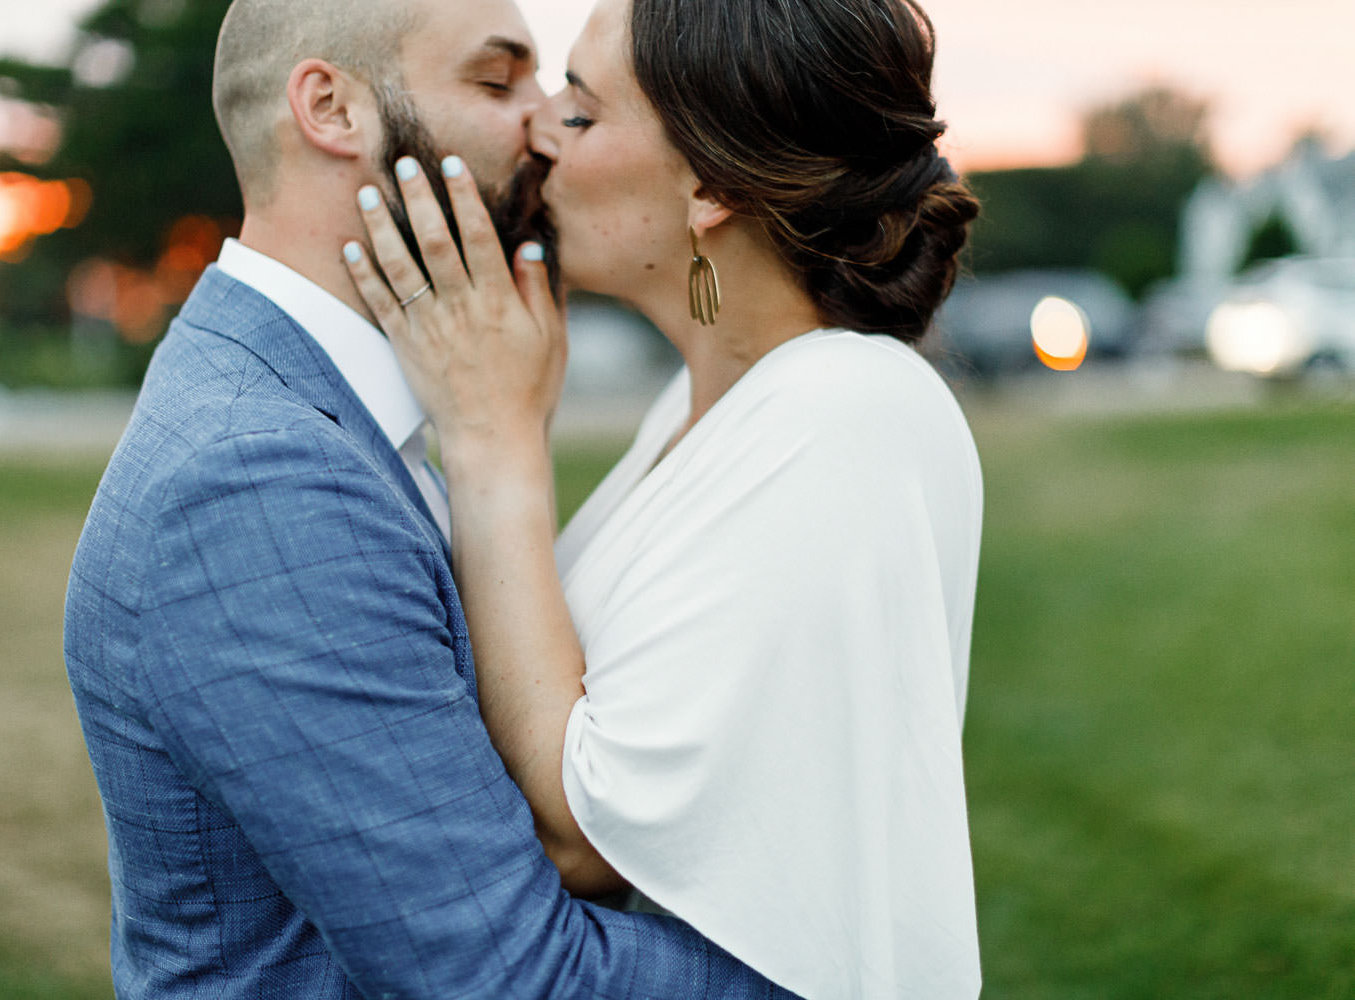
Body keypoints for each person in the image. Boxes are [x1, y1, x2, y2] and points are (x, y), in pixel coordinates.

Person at [62, 0, 801, 996]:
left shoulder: (325, 407)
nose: (547, 123)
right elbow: (509, 978)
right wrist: (848, 963)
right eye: (499, 83)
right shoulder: (260, 481)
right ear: (333, 109)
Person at [340, 0, 986, 997]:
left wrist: (493, 441)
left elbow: (581, 836)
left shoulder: (848, 409)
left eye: (584, 114)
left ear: (713, 186)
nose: (538, 128)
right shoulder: (703, 405)